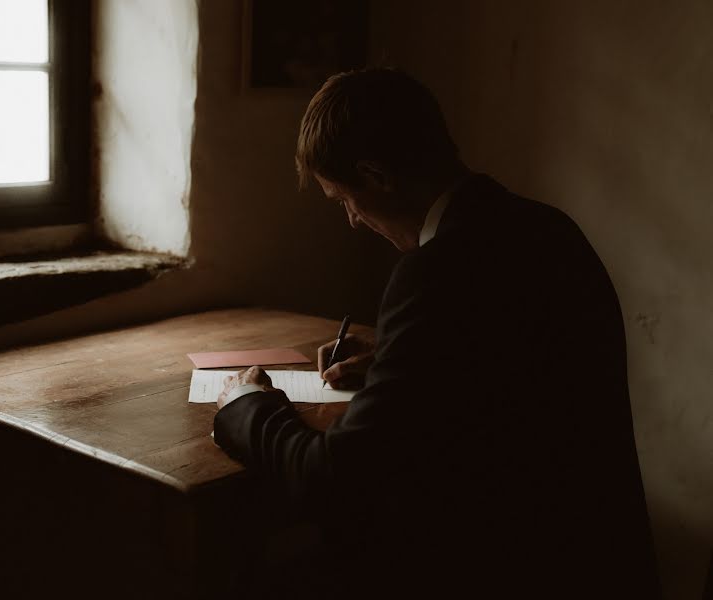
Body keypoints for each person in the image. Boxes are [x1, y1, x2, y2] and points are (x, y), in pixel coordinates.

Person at [212, 68, 661, 599]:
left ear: (376, 175)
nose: (353, 220)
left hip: (502, 569)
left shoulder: (436, 271)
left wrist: (248, 406)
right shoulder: (548, 229)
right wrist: (394, 357)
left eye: (344, 199)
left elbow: (336, 483)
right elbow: (505, 376)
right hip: (598, 556)